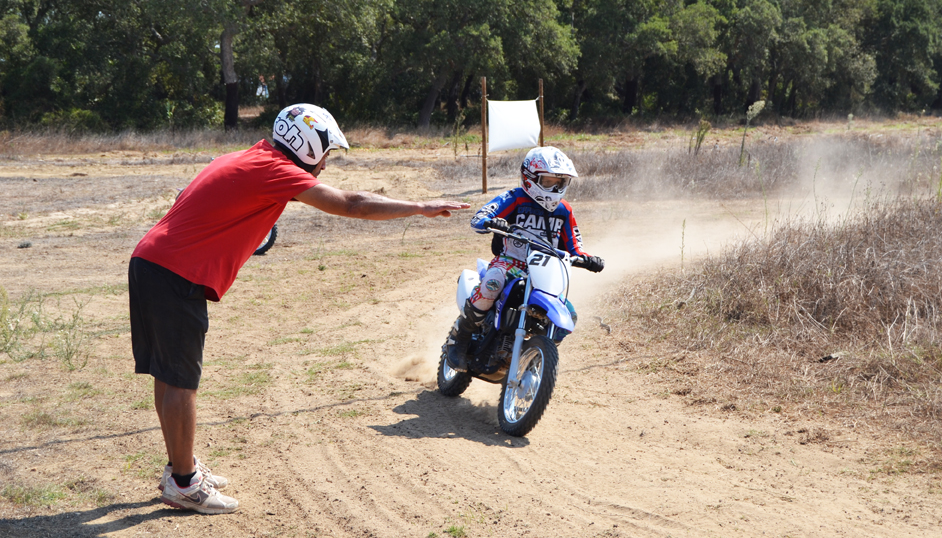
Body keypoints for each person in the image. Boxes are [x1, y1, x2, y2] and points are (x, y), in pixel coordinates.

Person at [128, 103, 470, 514]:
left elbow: (191, 200)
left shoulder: (246, 157)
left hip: (151, 261)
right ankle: (184, 483)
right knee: (182, 381)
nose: (325, 164)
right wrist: (419, 206)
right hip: (175, 272)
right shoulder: (276, 170)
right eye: (326, 153)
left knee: (169, 377)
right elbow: (352, 203)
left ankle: (180, 469)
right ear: (308, 146)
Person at [446, 145, 604, 371]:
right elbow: (480, 216)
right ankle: (460, 337)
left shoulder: (564, 211)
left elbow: (575, 245)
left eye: (561, 182)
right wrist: (492, 222)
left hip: (545, 271)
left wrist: (588, 259)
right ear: (530, 177)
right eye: (549, 181)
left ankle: (535, 354)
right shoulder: (516, 198)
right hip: (510, 262)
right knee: (492, 284)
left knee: (570, 315)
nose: (556, 188)